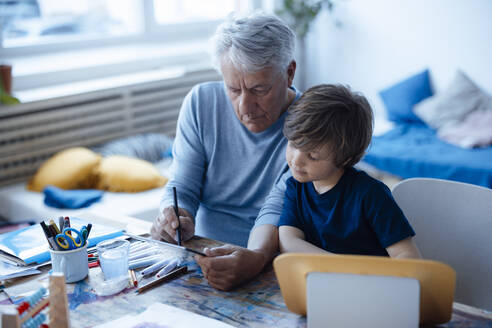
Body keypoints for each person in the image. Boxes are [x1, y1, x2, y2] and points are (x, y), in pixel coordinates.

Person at [150, 13, 301, 290]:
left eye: (259, 89)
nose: (245, 106)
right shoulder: (200, 102)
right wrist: (174, 214)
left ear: (289, 72)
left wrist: (257, 257)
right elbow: (183, 184)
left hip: (271, 260)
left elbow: (278, 208)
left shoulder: (309, 123)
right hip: (201, 253)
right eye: (233, 89)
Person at [279, 84, 421, 258]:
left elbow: (407, 256)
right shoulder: (295, 188)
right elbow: (288, 242)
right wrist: (340, 266)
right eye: (293, 144)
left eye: (313, 156)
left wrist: (347, 270)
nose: (296, 159)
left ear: (345, 158)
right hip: (321, 280)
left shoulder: (371, 194)